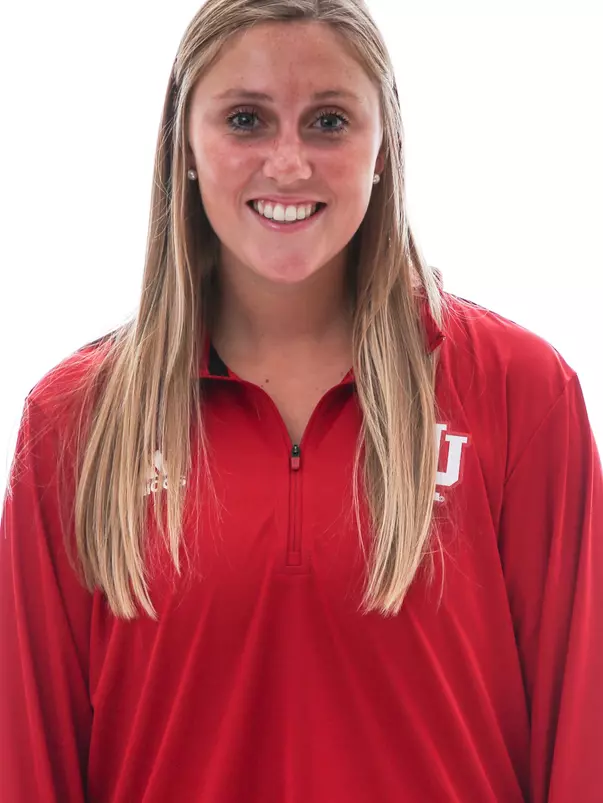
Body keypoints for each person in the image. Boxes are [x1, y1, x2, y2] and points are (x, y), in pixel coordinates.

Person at [1, 0, 601, 800]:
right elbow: (27, 760)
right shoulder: (74, 420)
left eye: (327, 121)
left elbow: (583, 738)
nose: (288, 164)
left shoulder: (519, 392)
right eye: (246, 119)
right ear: (183, 140)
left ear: (384, 142)